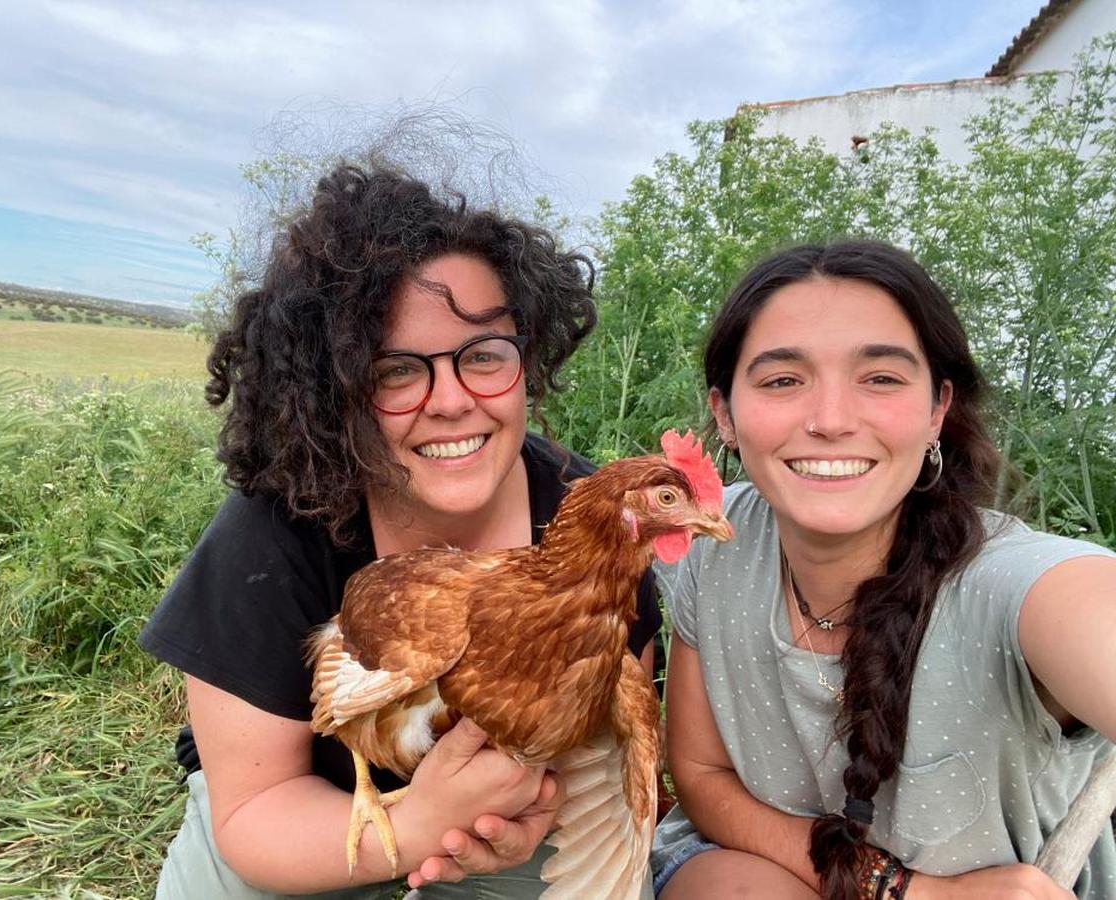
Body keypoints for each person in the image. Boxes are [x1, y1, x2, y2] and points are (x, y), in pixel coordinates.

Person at [138, 161, 662, 899]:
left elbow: (599, 767)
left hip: (495, 825)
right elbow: (256, 807)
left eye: (483, 356)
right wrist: (415, 826)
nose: (451, 401)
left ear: (527, 359)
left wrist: (532, 817)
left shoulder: (601, 522)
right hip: (300, 818)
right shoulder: (279, 523)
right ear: (334, 391)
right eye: (394, 371)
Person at [651, 241, 1116, 899]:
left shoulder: (1010, 586)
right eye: (784, 379)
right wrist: (907, 890)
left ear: (937, 410)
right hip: (771, 867)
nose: (831, 421)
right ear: (725, 413)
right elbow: (699, 773)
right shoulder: (710, 540)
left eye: (881, 378)